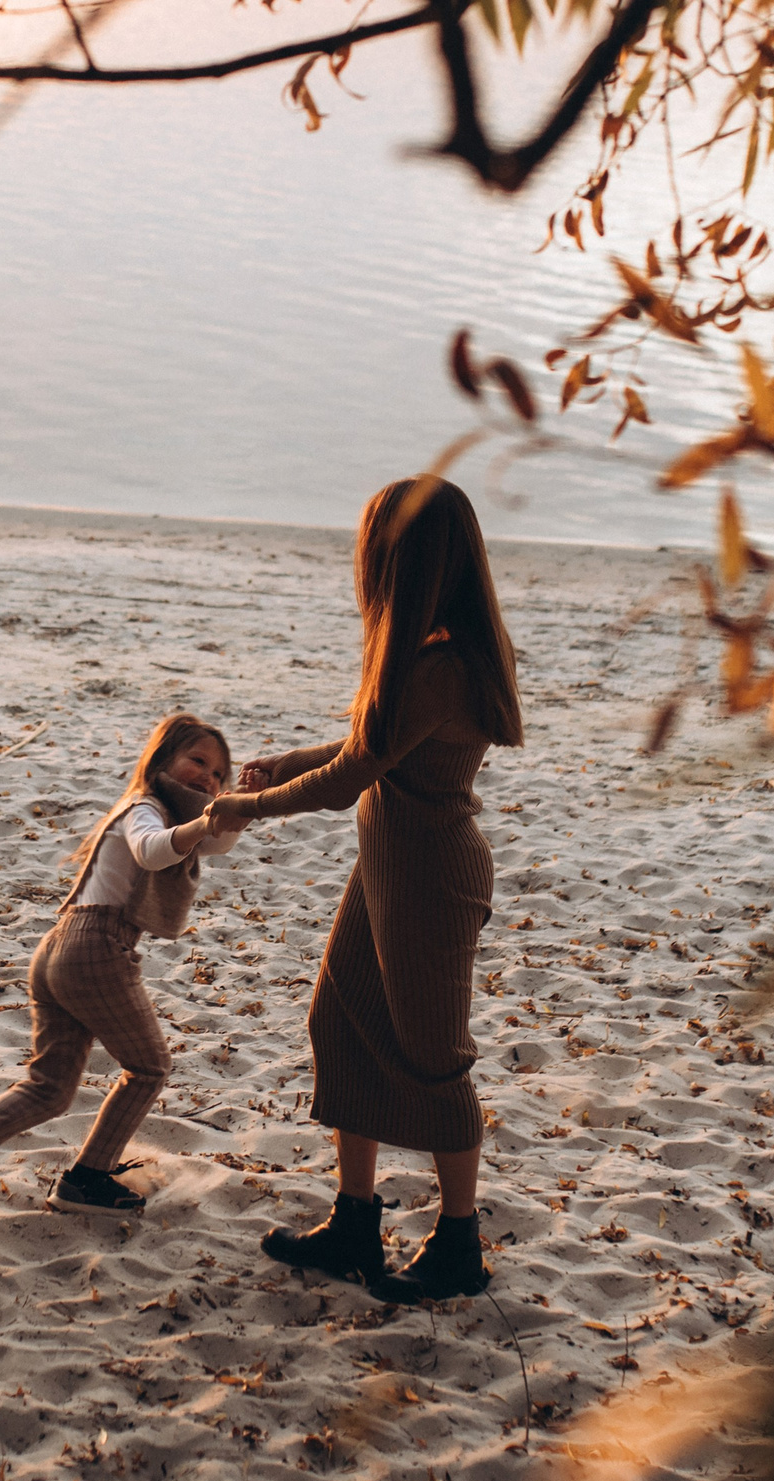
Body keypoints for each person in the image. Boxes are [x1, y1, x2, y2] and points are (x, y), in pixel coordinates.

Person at [205, 477, 523, 1304]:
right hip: (390, 866)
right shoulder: (431, 649)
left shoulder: (441, 665)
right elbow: (366, 747)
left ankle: (458, 1245)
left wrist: (247, 804)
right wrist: (286, 762)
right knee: (341, 1020)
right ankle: (354, 1223)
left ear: (403, 562)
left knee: (433, 1061)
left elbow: (351, 779)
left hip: (429, 879)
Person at [0, 714, 240, 1239]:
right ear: (161, 760)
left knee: (50, 1086)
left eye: (219, 775)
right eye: (198, 761)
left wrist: (247, 804)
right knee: (148, 1069)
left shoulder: (173, 817)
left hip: (60, 948)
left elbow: (216, 842)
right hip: (97, 948)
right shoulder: (144, 809)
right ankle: (87, 1179)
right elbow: (156, 848)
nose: (209, 779)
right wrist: (210, 819)